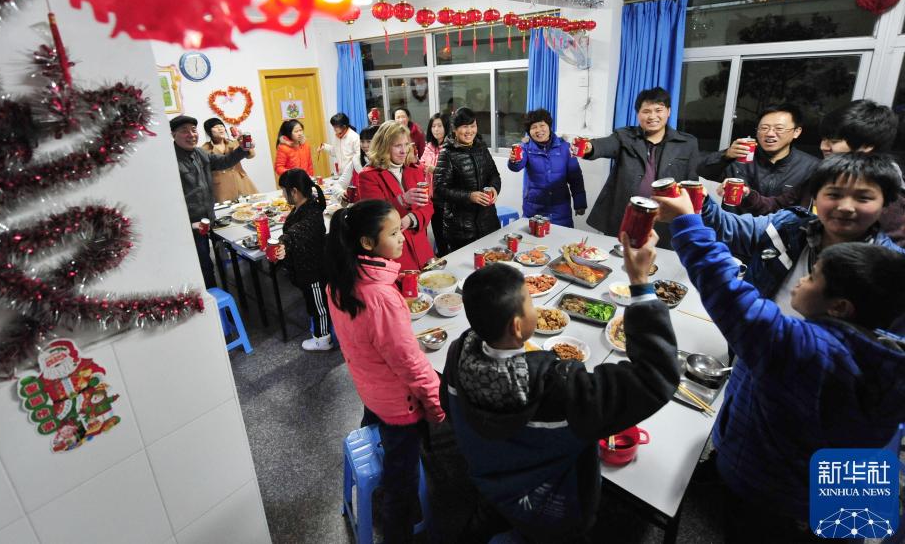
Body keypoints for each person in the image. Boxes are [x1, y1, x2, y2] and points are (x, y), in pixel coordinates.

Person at [654, 188, 905, 541]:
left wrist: (686, 222)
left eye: (813, 277)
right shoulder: (886, 355)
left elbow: (728, 293)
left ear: (839, 307)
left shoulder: (804, 350)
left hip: (766, 489)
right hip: (816, 494)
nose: (801, 279)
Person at [441, 242, 680, 543]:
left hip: (490, 485)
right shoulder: (561, 389)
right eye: (530, 301)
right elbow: (656, 377)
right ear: (517, 327)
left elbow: (450, 410)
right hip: (555, 510)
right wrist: (641, 285)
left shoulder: (457, 354)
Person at [325, 200, 446, 544]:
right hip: (399, 408)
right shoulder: (380, 297)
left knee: (379, 427)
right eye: (393, 234)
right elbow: (410, 363)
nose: (402, 237)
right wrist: (436, 406)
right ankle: (397, 532)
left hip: (371, 390)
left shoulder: (340, 282)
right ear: (367, 243)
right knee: (401, 484)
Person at [697, 152, 905, 316]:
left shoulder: (892, 268)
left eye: (863, 198)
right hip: (756, 345)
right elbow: (729, 228)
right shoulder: (788, 226)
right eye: (834, 194)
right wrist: (703, 202)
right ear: (816, 196)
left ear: (885, 203)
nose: (845, 207)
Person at [737, 100, 905, 246]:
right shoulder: (822, 175)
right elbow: (779, 205)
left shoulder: (886, 191)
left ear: (866, 146)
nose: (823, 147)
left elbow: (894, 249)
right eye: (824, 139)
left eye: (834, 141)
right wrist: (748, 195)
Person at [577, 87, 699, 247]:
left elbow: (692, 185)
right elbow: (605, 145)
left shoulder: (687, 143)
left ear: (668, 111)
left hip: (664, 220)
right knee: (619, 256)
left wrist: (691, 221)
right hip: (625, 216)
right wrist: (589, 147)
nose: (652, 116)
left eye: (658, 110)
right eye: (646, 111)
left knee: (659, 259)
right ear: (638, 114)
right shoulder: (625, 136)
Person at [170, 115, 249, 288]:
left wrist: (243, 148)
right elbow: (169, 199)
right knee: (203, 264)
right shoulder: (170, 160)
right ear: (173, 134)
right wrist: (188, 224)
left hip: (209, 216)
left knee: (218, 258)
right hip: (192, 224)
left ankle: (224, 290)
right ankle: (211, 296)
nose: (191, 134)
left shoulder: (200, 153)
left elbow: (224, 161)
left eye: (193, 130)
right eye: (184, 131)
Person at [696, 102, 819, 209]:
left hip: (784, 228)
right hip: (736, 226)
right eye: (764, 128)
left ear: (796, 132)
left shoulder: (810, 167)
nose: (770, 133)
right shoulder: (739, 157)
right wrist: (725, 156)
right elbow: (703, 171)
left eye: (779, 128)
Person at [357, 121, 435, 271]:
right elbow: (376, 217)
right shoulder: (368, 176)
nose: (403, 151)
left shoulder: (415, 169)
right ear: (384, 146)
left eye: (406, 145)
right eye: (397, 146)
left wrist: (411, 219)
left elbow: (428, 206)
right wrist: (403, 200)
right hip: (394, 253)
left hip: (422, 248)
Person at [275, 169, 333, 351]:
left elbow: (298, 231)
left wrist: (284, 242)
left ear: (294, 191)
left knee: (318, 305)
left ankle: (323, 339)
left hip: (313, 270)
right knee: (313, 301)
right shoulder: (303, 206)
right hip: (304, 268)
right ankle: (321, 331)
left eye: (283, 190)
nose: (283, 195)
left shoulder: (312, 211)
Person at [433, 107, 502, 252]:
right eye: (465, 126)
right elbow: (439, 190)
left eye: (473, 126)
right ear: (454, 129)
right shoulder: (447, 153)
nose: (470, 131)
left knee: (492, 261)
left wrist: (494, 188)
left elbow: (494, 175)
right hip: (461, 229)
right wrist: (469, 196)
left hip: (488, 222)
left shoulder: (481, 147)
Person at [508, 109, 586, 227]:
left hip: (560, 209)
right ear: (529, 131)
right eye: (534, 127)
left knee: (562, 238)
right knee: (533, 238)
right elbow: (516, 167)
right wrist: (514, 160)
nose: (538, 130)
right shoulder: (525, 148)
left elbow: (575, 177)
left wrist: (580, 202)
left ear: (549, 126)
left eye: (542, 125)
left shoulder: (565, 147)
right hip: (534, 209)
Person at [200, 117, 258, 202]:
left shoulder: (234, 142)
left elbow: (251, 155)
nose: (220, 128)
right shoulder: (204, 149)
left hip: (240, 181)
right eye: (215, 127)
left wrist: (246, 142)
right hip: (221, 186)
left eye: (221, 126)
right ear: (208, 131)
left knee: (250, 206)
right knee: (227, 208)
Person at [420, 113, 449, 254]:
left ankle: (451, 255)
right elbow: (422, 163)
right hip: (432, 195)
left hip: (447, 196)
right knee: (437, 229)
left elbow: (452, 171)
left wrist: (435, 170)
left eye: (439, 126)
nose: (436, 129)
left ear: (446, 127)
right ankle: (442, 254)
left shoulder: (450, 146)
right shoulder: (429, 146)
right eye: (433, 126)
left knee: (448, 231)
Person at [337, 125, 378, 198]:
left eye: (369, 141)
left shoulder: (386, 162)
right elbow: (339, 185)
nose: (364, 145)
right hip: (360, 203)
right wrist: (343, 193)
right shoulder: (356, 160)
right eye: (362, 141)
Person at [318, 112, 360, 177]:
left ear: (344, 126)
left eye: (336, 127)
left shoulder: (354, 137)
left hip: (353, 174)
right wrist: (324, 146)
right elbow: (334, 152)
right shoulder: (337, 137)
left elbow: (358, 156)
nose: (334, 129)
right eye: (333, 126)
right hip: (342, 173)